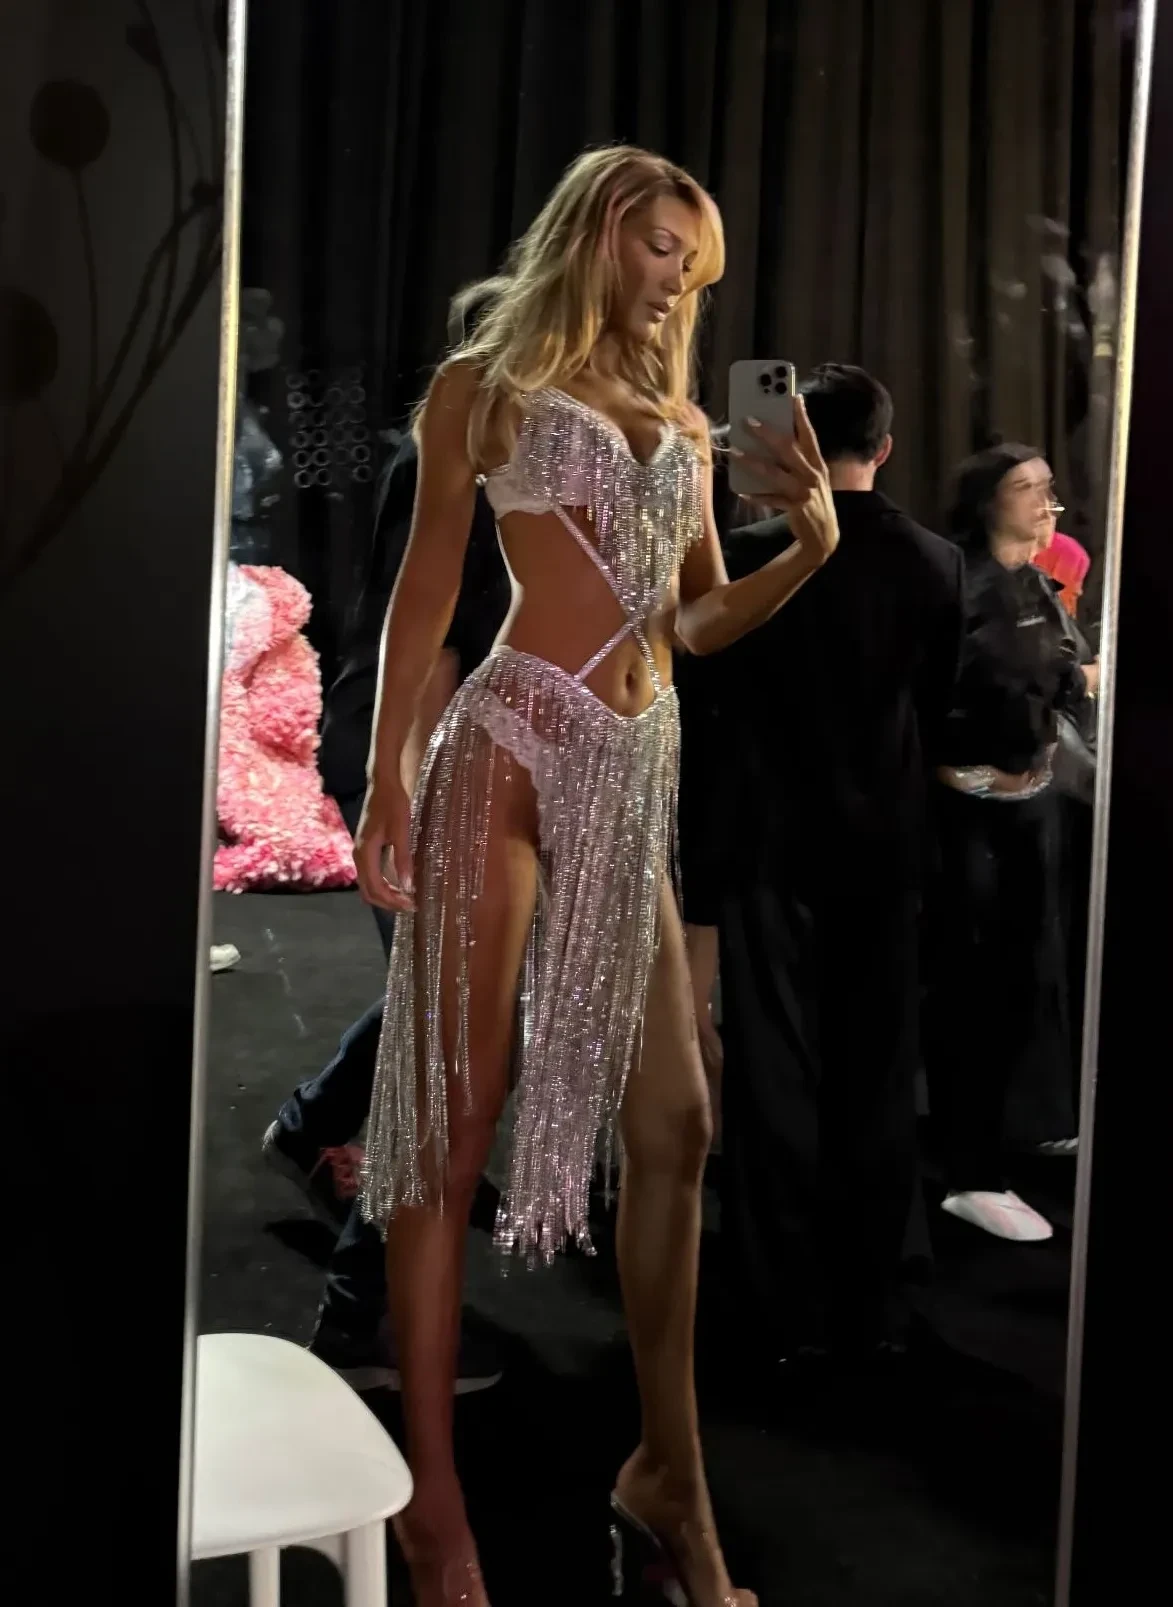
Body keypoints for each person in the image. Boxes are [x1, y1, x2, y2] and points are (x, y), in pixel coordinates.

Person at [352, 145, 840, 1607]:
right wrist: (385, 770)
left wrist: (809, 547)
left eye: (696, 255)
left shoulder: (687, 421)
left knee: (677, 1121)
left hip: (631, 771)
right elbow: (427, 585)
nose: (678, 275)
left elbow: (694, 622)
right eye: (658, 242)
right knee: (452, 1119)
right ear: (598, 233)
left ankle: (665, 1473)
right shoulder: (485, 388)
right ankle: (432, 1501)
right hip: (507, 742)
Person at [678, 364, 965, 1370]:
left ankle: (777, 1298)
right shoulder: (935, 560)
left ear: (786, 438)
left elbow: (706, 704)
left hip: (767, 841)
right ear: (883, 447)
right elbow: (934, 704)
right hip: (884, 841)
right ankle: (873, 1289)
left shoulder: (748, 556)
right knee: (877, 1067)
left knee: (776, 1070)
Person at [261, 434, 509, 1391]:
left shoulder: (503, 441)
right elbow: (438, 635)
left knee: (446, 1016)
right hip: (438, 766)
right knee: (450, 1037)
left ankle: (311, 1124)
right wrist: (413, 801)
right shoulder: (469, 443)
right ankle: (361, 1316)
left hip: (462, 764)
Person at [924, 444, 1098, 1242]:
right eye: (1023, 488)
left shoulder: (1036, 583)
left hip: (1031, 813)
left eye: (1045, 488)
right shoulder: (957, 584)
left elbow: (1062, 676)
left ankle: (1018, 1131)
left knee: (1025, 979)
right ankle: (967, 1169)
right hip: (968, 815)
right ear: (986, 499)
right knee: (971, 990)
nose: (1041, 501)